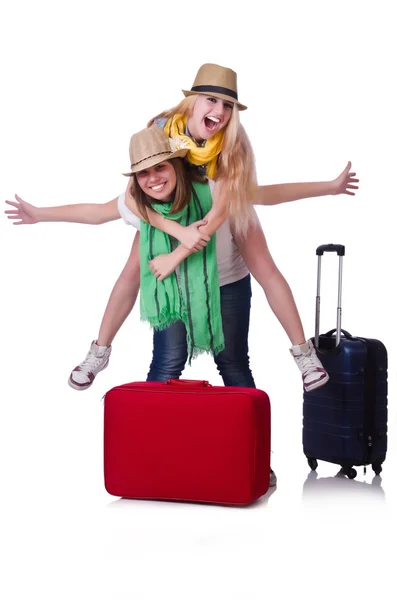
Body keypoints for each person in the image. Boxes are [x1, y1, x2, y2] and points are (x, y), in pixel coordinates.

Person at [5, 63, 359, 394]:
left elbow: (235, 206)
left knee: (259, 272)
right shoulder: (160, 133)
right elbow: (123, 204)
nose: (219, 112)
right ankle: (100, 350)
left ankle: (302, 355)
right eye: (211, 100)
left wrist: (178, 253)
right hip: (171, 221)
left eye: (227, 105)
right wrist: (40, 213)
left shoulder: (231, 149)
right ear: (191, 101)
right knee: (135, 272)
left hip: (218, 224)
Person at [6, 126, 278, 487]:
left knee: (233, 365)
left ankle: (256, 461)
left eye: (160, 168)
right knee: (166, 363)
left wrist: (330, 187)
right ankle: (153, 452)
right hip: (169, 291)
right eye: (143, 173)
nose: (153, 179)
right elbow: (95, 213)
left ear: (177, 166)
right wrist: (39, 213)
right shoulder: (139, 203)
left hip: (226, 284)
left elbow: (268, 194)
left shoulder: (214, 190)